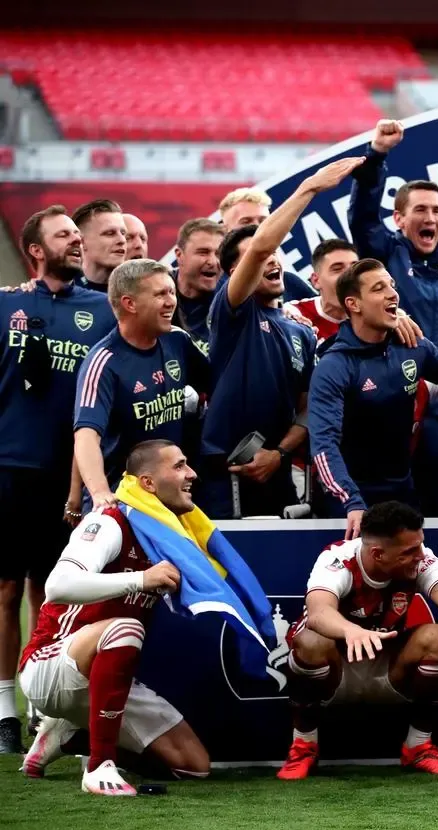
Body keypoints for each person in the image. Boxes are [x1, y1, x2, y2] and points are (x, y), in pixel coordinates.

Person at [19, 441, 210, 794]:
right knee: (126, 627)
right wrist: (141, 579)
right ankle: (98, 765)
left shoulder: (172, 535)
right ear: (149, 483)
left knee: (195, 766)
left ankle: (69, 735)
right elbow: (57, 586)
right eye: (180, 466)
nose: (191, 474)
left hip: (105, 674)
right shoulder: (108, 522)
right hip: (52, 660)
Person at [0, 206, 115, 753]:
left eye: (77, 233)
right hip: (9, 468)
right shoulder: (6, 305)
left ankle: (52, 712)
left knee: (58, 594)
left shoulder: (104, 309)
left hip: (74, 475)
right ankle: (4, 712)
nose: (77, 241)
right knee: (5, 590)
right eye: (64, 235)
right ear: (36, 251)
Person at [276, 500, 438, 781]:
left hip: (389, 668)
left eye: (420, 545)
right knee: (310, 641)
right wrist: (350, 631)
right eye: (409, 551)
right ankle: (304, 746)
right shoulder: (338, 560)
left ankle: (418, 746)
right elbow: (319, 613)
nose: (420, 555)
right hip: (337, 669)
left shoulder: (421, 559)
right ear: (378, 554)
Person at [198, 162, 361, 519]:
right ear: (233, 273)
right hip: (224, 472)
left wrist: (280, 454)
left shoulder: (300, 329)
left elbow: (306, 408)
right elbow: (259, 247)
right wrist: (309, 189)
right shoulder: (234, 311)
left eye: (276, 255)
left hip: (275, 471)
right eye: (260, 257)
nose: (271, 259)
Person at [348, 120, 438, 517]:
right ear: (400, 219)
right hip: (391, 399)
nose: (430, 217)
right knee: (388, 507)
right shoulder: (387, 252)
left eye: (437, 210)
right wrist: (377, 154)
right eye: (420, 209)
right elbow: (364, 216)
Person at [309, 259, 438, 539]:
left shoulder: (411, 345)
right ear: (354, 304)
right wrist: (350, 501)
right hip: (352, 502)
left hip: (403, 493)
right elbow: (323, 445)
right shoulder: (335, 365)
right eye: (379, 289)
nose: (392, 294)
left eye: (392, 285)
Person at [74, 259, 209, 511]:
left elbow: (219, 387)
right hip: (121, 502)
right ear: (129, 303)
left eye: (172, 292)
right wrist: (100, 493)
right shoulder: (104, 362)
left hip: (168, 499)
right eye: (160, 294)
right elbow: (86, 435)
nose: (171, 301)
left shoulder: (177, 341)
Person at [216, 187, 316, 302]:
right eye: (246, 222)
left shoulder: (289, 282)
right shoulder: (219, 289)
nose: (258, 229)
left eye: (264, 221)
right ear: (224, 230)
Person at [284, 239, 359, 343]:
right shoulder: (295, 313)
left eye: (355, 268)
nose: (350, 276)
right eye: (337, 269)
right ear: (316, 280)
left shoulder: (374, 316)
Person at [171, 218, 223, 354]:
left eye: (218, 254)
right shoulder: (157, 293)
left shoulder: (233, 296)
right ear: (179, 255)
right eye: (203, 252)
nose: (212, 261)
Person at [71, 199, 127, 293]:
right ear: (81, 242)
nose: (122, 240)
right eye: (110, 233)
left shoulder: (139, 293)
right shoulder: (59, 292)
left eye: (123, 233)